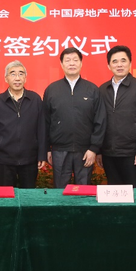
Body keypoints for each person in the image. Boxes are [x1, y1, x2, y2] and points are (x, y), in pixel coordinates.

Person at [43, 47, 105, 188]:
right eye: (68, 60)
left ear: (81, 63)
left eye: (75, 60)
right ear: (61, 64)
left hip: (85, 150)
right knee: (60, 191)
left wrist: (94, 149)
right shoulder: (52, 89)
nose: (72, 63)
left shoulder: (92, 89)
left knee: (83, 190)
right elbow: (45, 122)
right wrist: (47, 149)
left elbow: (100, 121)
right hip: (59, 150)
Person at [98, 45, 136, 187]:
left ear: (130, 63)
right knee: (114, 192)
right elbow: (98, 122)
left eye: (123, 60)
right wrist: (99, 151)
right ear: (109, 66)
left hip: (132, 154)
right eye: (115, 61)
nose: (119, 65)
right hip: (109, 153)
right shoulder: (102, 89)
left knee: (134, 192)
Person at [0, 61, 47, 188]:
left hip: (29, 159)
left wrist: (42, 155)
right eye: (13, 74)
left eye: (21, 74)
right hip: (5, 159)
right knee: (6, 196)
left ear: (25, 78)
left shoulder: (35, 99)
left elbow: (41, 129)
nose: (17, 78)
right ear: (6, 78)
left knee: (28, 195)